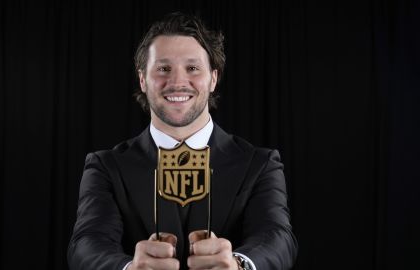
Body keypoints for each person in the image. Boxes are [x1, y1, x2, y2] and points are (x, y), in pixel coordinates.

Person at [67, 12, 297, 270]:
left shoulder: (261, 164)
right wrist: (128, 268)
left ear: (213, 78)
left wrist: (239, 265)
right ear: (142, 79)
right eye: (164, 68)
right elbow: (87, 244)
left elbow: (277, 238)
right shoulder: (105, 167)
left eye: (192, 68)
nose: (177, 82)